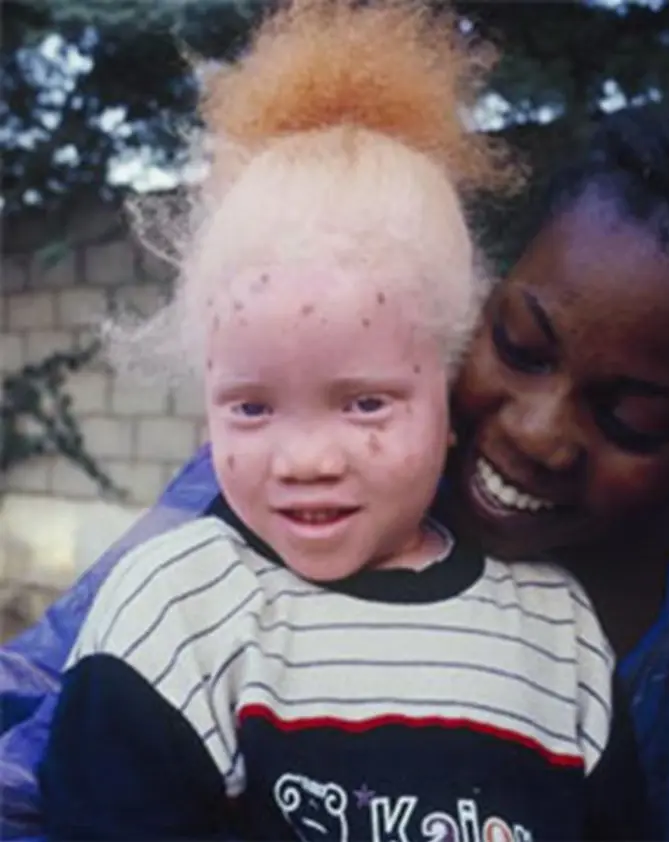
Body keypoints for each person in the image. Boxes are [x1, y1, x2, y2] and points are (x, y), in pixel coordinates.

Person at [2, 75, 669, 842]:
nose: (536, 432)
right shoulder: (288, 507)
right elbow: (34, 728)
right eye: (519, 346)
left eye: (632, 419)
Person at [35, 2, 615, 840]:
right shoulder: (176, 613)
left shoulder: (555, 630)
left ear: (451, 388)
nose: (305, 459)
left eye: (365, 402)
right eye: (252, 406)